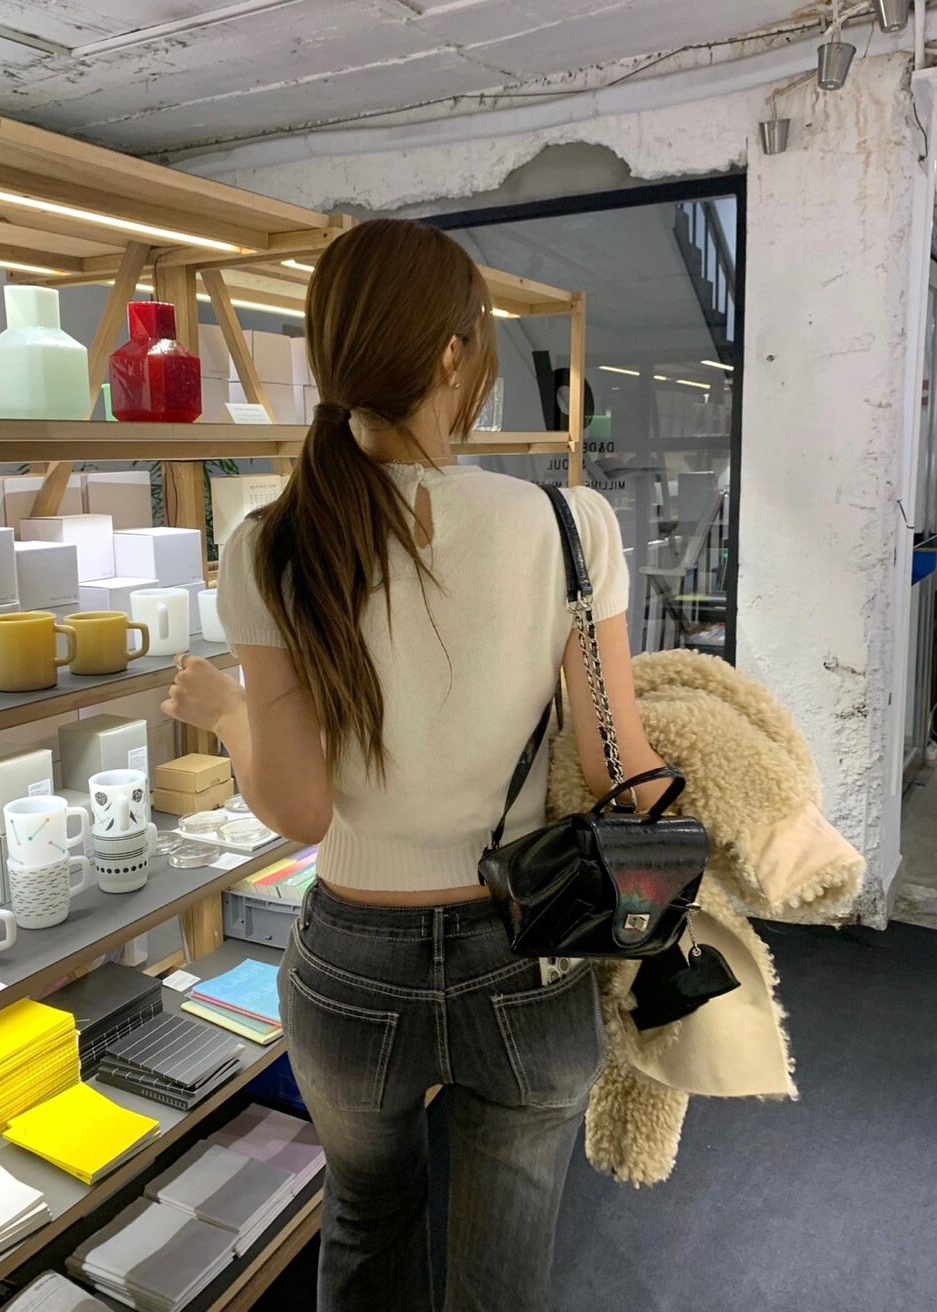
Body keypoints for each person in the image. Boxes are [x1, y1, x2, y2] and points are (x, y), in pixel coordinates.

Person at [162, 217, 668, 1312]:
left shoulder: (269, 542)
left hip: (350, 963)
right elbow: (617, 762)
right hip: (524, 950)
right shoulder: (569, 526)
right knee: (503, 1279)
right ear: (451, 353)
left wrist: (230, 713)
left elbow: (298, 808)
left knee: (365, 1226)